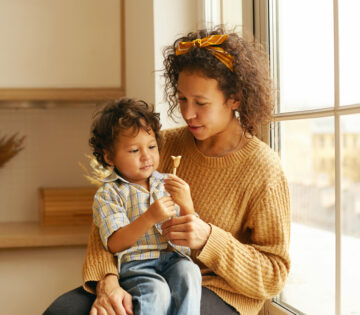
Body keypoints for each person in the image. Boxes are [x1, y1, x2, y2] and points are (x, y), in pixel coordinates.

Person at [44, 25, 290, 315]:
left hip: (218, 291)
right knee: (62, 311)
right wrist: (108, 280)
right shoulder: (161, 146)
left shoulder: (264, 168)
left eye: (201, 103)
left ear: (234, 98)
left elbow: (274, 273)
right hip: (138, 272)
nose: (187, 113)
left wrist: (210, 239)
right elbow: (108, 220)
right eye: (183, 99)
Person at [89, 98, 201, 315]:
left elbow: (188, 240)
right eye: (134, 151)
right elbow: (114, 243)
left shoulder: (168, 182)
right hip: (137, 266)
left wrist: (187, 205)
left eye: (151, 146)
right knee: (157, 291)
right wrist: (150, 217)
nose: (146, 156)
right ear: (109, 156)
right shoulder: (109, 193)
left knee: (189, 272)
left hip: (173, 258)